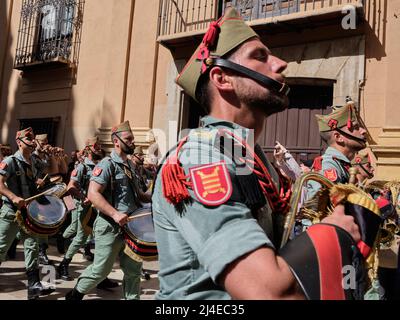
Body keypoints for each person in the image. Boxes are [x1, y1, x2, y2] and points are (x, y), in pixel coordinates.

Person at [151, 8, 363, 300]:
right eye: (260, 57)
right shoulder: (202, 158)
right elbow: (267, 291)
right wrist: (332, 233)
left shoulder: (250, 158)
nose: (281, 64)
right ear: (222, 78)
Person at [65, 121, 150, 300]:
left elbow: (139, 195)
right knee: (100, 270)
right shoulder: (106, 164)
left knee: (134, 271)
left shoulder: (131, 166)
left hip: (132, 228)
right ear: (116, 141)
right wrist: (115, 214)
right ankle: (75, 295)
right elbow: (93, 194)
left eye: (133, 138)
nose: (133, 142)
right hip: (110, 226)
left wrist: (157, 197)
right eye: (129, 139)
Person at [0, 128, 54, 299]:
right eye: (28, 139)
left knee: (32, 246)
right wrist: (13, 196)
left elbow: (49, 170)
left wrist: (39, 184)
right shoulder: (10, 161)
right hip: (11, 212)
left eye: (32, 139)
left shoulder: (34, 161)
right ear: (19, 141)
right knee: (1, 246)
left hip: (30, 213)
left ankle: (34, 284)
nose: (32, 142)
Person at [307, 99, 368, 198]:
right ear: (338, 137)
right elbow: (320, 209)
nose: (363, 131)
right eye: (356, 127)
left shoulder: (341, 164)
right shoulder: (329, 165)